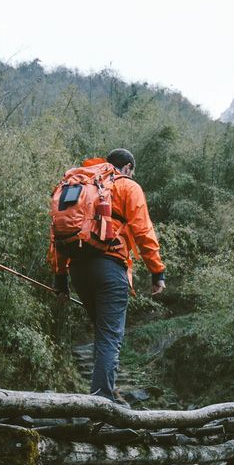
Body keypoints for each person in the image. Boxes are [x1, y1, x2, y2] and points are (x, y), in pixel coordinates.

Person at [51, 148, 165, 400]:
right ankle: (102, 402)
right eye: (131, 171)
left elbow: (57, 234)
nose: (131, 175)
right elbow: (143, 231)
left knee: (102, 333)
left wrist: (60, 279)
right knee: (109, 337)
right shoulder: (126, 186)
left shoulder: (78, 185)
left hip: (78, 269)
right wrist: (157, 271)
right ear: (126, 168)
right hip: (110, 268)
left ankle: (103, 392)